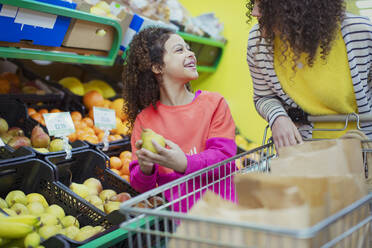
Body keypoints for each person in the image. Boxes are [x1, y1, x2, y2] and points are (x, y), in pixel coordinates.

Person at [122, 27, 237, 211]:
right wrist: (146, 168)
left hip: (224, 213)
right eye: (179, 50)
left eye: (188, 48)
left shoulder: (214, 103)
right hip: (180, 222)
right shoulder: (145, 121)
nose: (190, 53)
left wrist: (184, 163)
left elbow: (224, 158)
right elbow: (140, 186)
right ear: (158, 67)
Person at [246, 0, 372, 149]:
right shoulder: (258, 42)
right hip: (303, 153)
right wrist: (277, 117)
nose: (254, 12)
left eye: (265, 4)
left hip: (362, 149)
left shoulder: (360, 32)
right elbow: (263, 96)